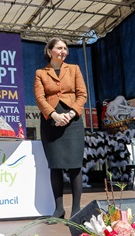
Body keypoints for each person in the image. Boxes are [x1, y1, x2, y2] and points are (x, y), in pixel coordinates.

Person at [33, 37, 87, 219]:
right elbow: (40, 98)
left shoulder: (74, 69)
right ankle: (59, 209)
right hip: (51, 121)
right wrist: (54, 115)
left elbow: (82, 94)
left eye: (65, 48)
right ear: (50, 51)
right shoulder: (40, 73)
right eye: (59, 48)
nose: (64, 51)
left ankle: (77, 208)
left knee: (75, 166)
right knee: (55, 166)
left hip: (73, 122)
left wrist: (71, 114)